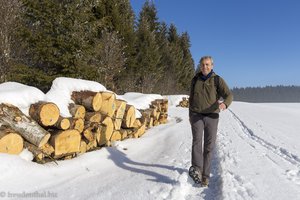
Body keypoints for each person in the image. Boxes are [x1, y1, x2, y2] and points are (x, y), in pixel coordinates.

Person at [188, 56, 233, 187]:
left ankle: (205, 176)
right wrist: (190, 115)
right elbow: (191, 99)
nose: (205, 67)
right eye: (202, 64)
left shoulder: (217, 80)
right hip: (196, 115)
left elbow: (229, 95)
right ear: (200, 66)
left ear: (212, 66)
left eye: (207, 64)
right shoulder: (195, 79)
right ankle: (197, 170)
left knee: (209, 146)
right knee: (196, 142)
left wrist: (225, 104)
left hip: (212, 116)